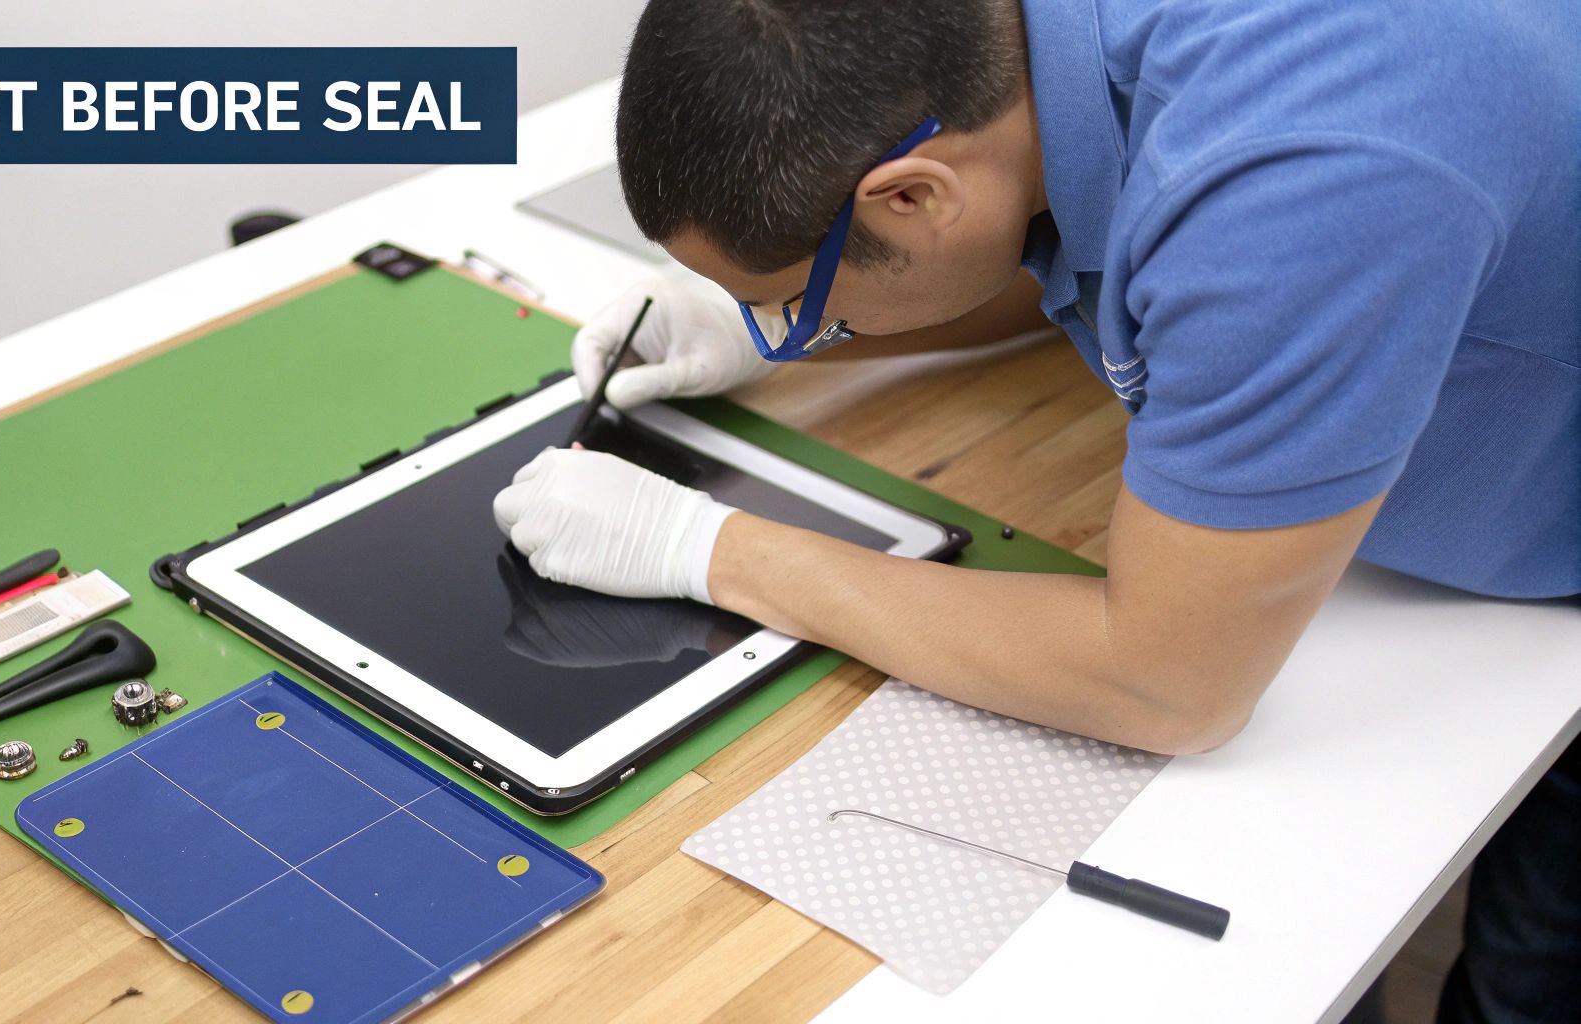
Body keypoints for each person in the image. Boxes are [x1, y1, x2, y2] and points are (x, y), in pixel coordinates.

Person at [490, 2, 1579, 1020]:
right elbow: (1062, 236)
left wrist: (705, 546)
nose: (784, 327)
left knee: (1530, 971)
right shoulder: (1020, 64)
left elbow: (1164, 679)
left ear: (912, 196)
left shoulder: (1297, 180)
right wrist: (762, 339)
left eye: (786, 304)